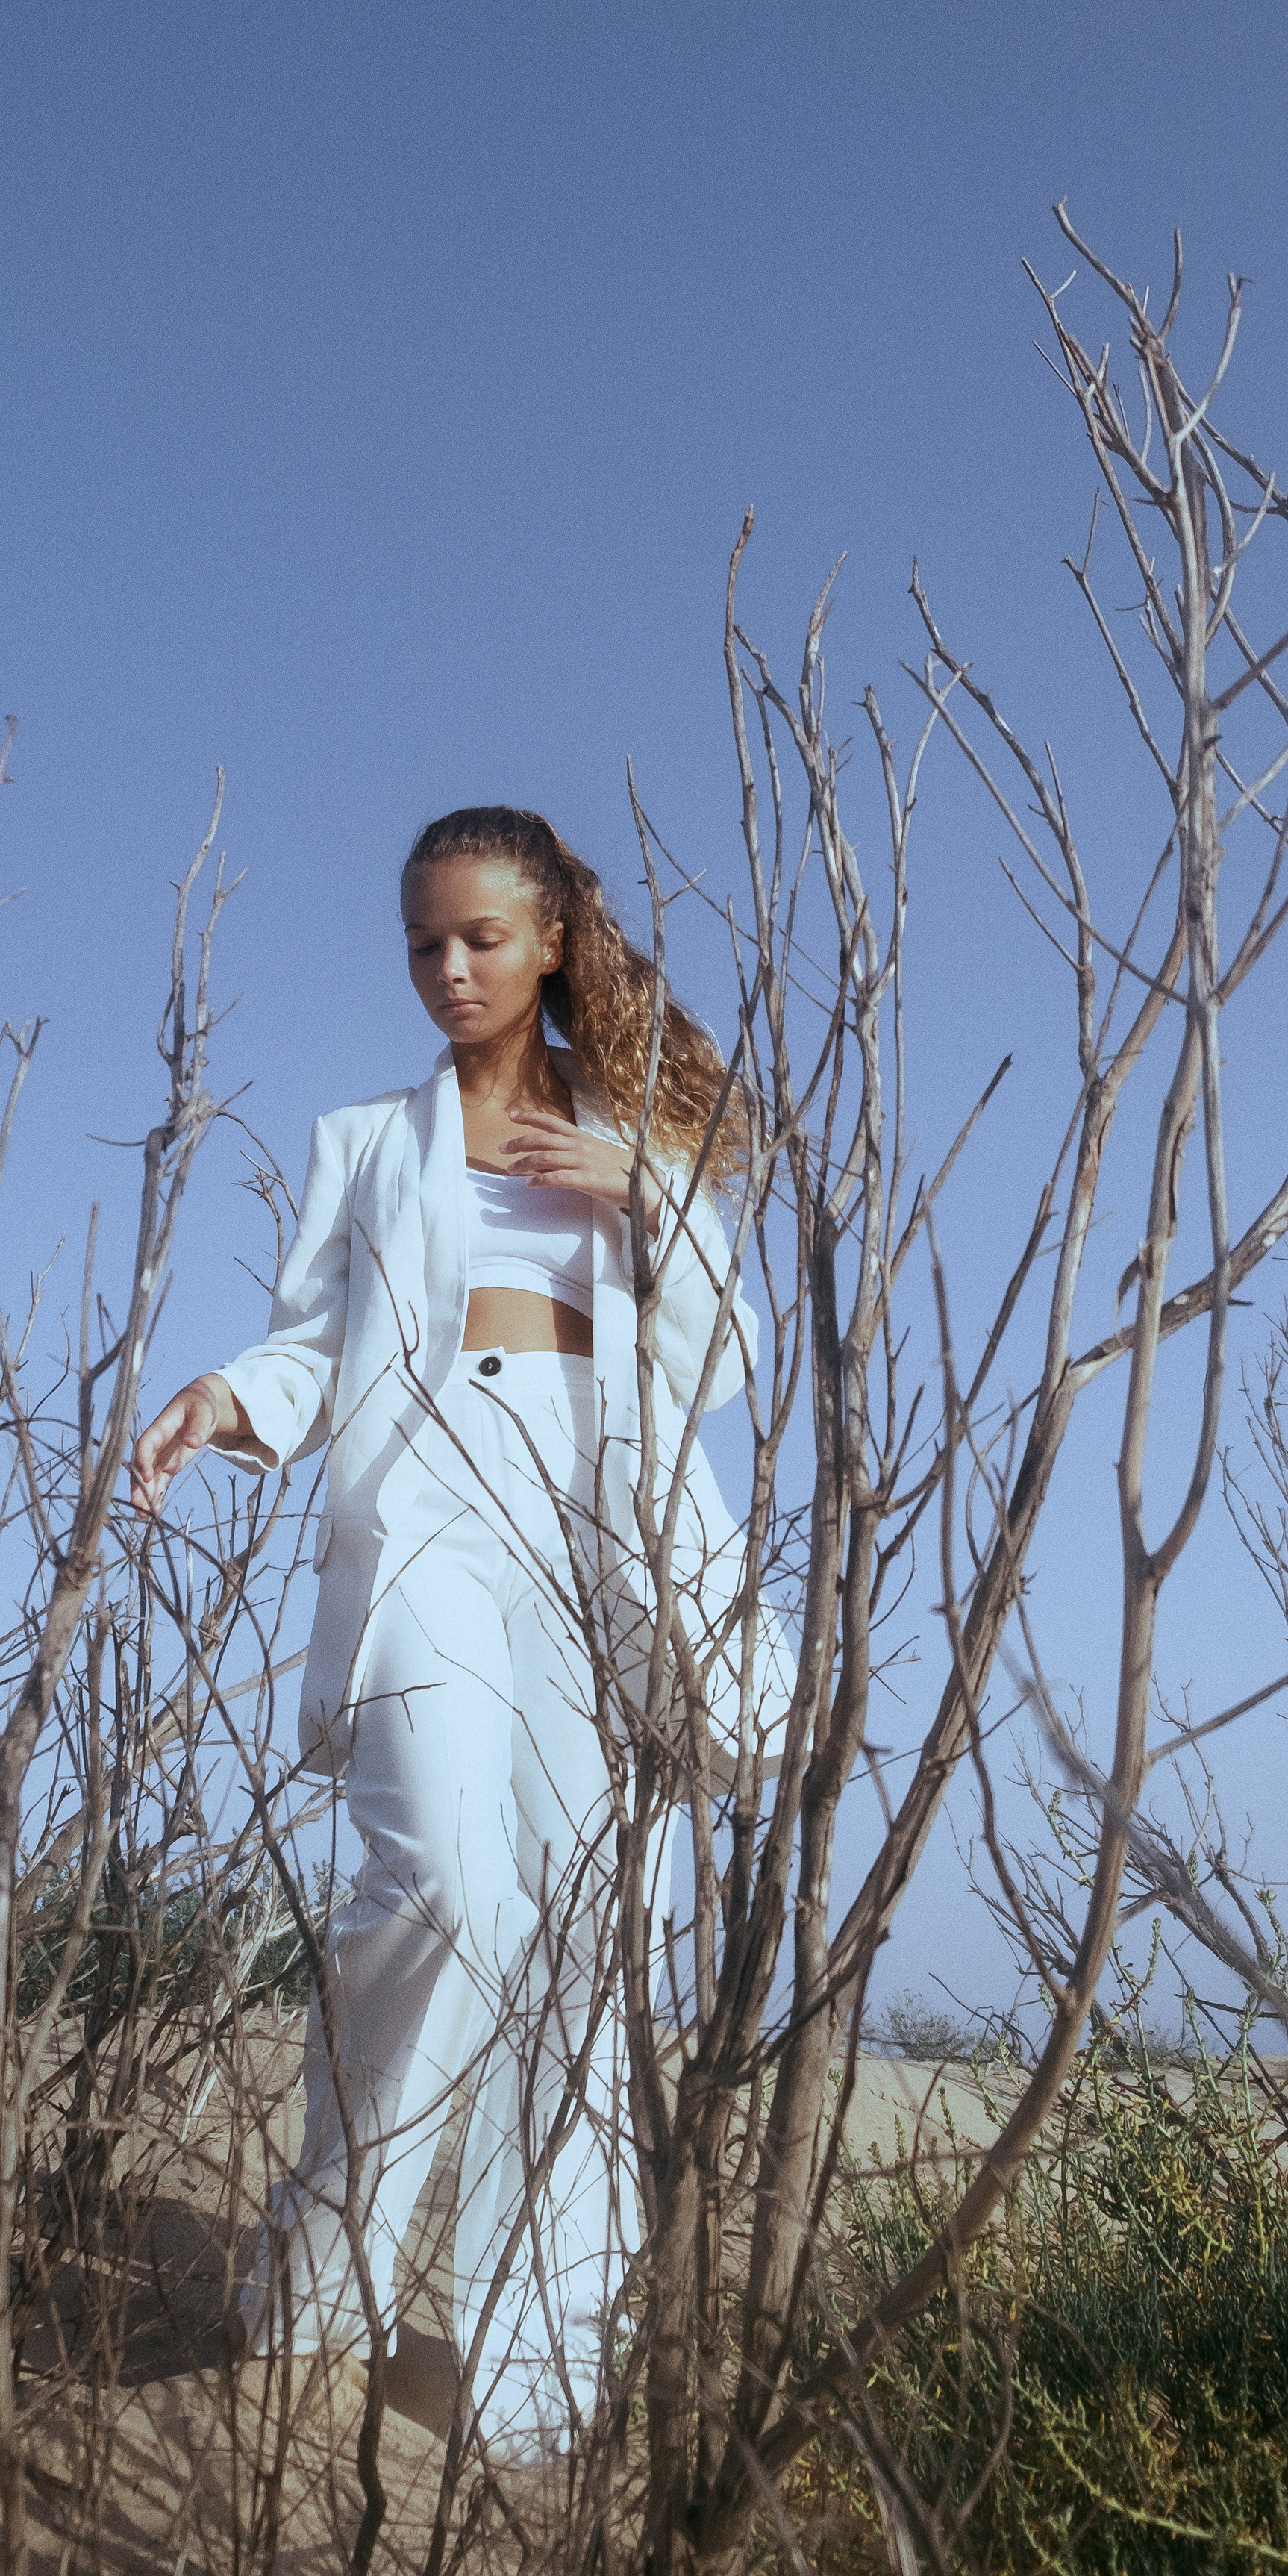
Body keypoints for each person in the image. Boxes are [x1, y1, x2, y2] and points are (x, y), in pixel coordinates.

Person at [130, 807, 768, 2455]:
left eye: (482, 937)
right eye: (425, 940)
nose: (450, 969)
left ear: (550, 938)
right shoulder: (364, 1143)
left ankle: (531, 2362)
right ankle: (316, 2290)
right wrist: (225, 1397)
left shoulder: (637, 1137)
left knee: (582, 1939)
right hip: (424, 1522)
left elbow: (721, 1365)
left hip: (599, 1538)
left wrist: (648, 1198)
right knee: (446, 1891)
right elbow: (314, 1346)